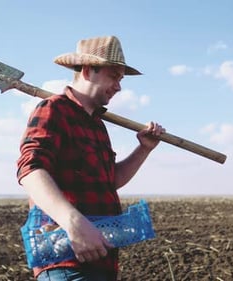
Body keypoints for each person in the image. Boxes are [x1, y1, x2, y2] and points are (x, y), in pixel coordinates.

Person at [16, 35, 164, 281]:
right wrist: (73, 222)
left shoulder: (97, 125)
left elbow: (110, 180)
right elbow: (30, 170)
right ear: (87, 71)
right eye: (114, 76)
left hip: (100, 259)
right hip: (65, 259)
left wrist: (144, 149)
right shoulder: (54, 109)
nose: (119, 86)